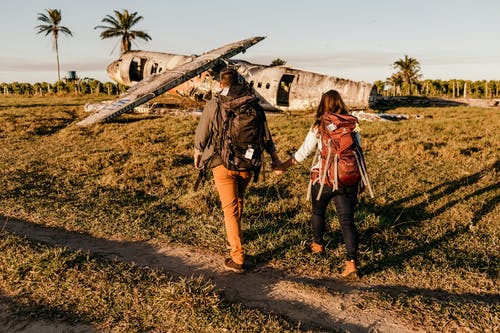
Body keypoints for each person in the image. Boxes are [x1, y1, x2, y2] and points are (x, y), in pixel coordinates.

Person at [194, 67, 281, 273]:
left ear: (220, 84)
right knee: (238, 202)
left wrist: (198, 153)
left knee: (229, 210)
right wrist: (275, 158)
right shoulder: (253, 103)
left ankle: (237, 256)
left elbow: (203, 131)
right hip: (247, 163)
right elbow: (266, 135)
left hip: (221, 163)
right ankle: (233, 241)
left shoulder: (214, 103)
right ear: (238, 81)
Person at [275, 90, 364, 280]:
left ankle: (318, 245)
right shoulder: (352, 124)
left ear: (322, 105)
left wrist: (283, 166)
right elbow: (358, 152)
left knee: (318, 213)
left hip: (323, 180)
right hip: (347, 178)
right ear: (341, 103)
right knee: (347, 221)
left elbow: (303, 152)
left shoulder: (318, 125)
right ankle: (351, 264)